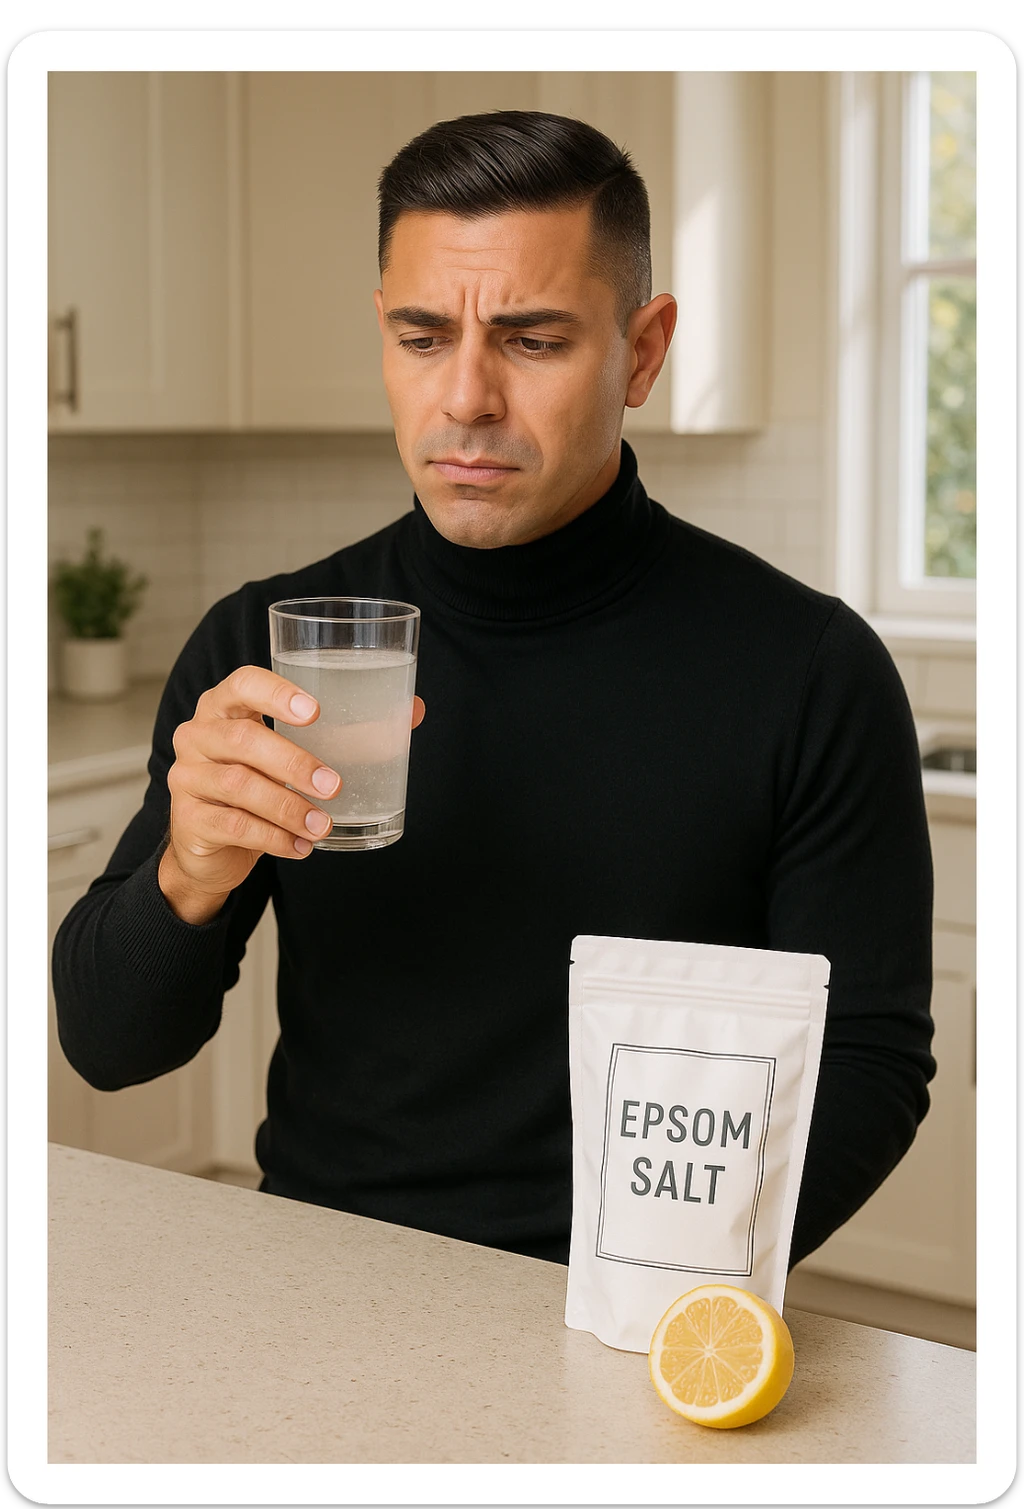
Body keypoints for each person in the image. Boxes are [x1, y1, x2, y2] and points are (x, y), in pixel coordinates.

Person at [52, 110, 935, 1268]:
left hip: (632, 1310)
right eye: (422, 338)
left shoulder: (810, 672)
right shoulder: (261, 652)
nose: (465, 399)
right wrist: (188, 872)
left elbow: (869, 1058)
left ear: (644, 350)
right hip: (319, 1283)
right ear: (382, 336)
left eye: (531, 341)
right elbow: (110, 1047)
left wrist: (658, 1273)